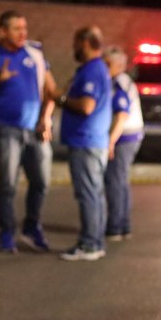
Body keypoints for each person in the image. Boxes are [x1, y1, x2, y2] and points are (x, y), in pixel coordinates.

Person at [0, 9, 56, 254]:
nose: (23, 33)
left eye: (24, 28)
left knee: (40, 181)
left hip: (34, 129)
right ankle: (7, 232)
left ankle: (32, 226)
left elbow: (50, 90)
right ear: (2, 31)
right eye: (17, 29)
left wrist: (46, 119)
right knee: (8, 183)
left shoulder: (35, 55)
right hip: (5, 128)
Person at [51, 25, 112, 261]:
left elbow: (86, 106)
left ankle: (89, 244)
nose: (73, 48)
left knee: (88, 194)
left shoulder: (92, 71)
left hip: (86, 141)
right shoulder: (96, 69)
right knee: (94, 194)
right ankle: (95, 242)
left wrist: (60, 98)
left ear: (85, 44)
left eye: (76, 43)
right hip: (92, 140)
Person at [103, 45, 144, 241]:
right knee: (121, 181)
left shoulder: (118, 83)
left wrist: (110, 141)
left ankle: (115, 227)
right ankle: (123, 225)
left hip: (123, 137)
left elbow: (121, 115)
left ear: (118, 65)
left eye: (107, 63)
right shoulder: (123, 81)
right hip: (130, 135)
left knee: (115, 182)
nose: (103, 67)